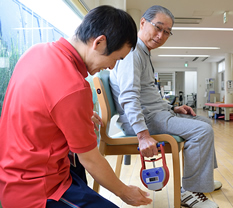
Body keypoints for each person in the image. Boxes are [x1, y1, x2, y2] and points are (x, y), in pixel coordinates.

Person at [0, 5, 152, 208]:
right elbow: (90, 159)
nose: (112, 67)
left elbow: (40, 109)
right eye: (116, 59)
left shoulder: (36, 52)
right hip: (38, 191)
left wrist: (78, 118)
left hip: (11, 176)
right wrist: (125, 192)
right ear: (99, 42)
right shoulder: (74, 87)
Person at [110, 5, 221, 208]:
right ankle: (189, 191)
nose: (161, 36)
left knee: (204, 121)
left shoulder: (143, 52)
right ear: (143, 22)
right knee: (202, 130)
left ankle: (201, 180)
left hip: (156, 114)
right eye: (158, 28)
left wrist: (173, 109)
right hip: (145, 120)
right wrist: (142, 135)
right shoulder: (133, 53)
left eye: (167, 32)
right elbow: (129, 96)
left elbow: (149, 94)